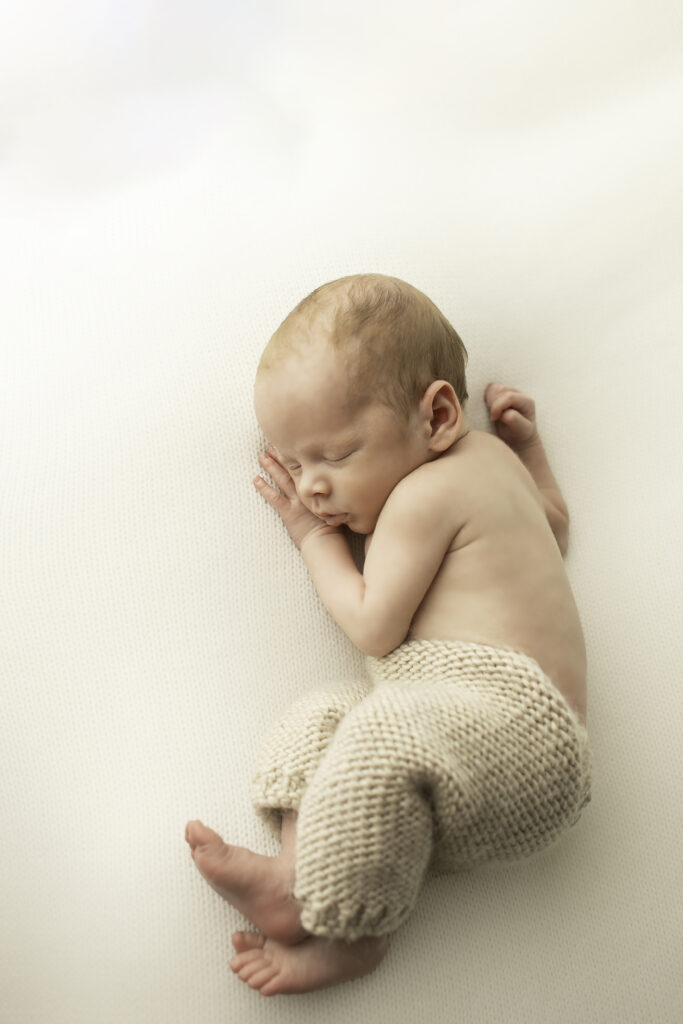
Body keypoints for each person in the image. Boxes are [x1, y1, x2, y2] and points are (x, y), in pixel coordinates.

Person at [185, 273, 591, 997]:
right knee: (326, 718)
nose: (310, 486)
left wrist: (312, 538)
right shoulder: (491, 462)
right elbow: (553, 523)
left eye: (333, 456)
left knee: (382, 724)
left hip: (524, 733)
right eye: (296, 462)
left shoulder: (421, 495)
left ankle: (354, 931)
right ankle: (297, 872)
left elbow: (374, 627)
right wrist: (527, 447)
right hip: (474, 742)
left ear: (436, 416)